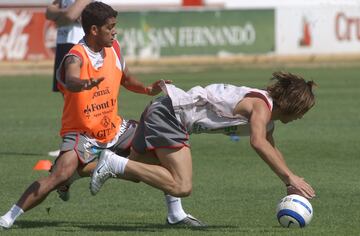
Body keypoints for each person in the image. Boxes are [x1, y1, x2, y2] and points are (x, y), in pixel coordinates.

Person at [0, 2, 199, 229]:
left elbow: (126, 78)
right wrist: (84, 83)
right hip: (82, 133)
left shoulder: (114, 49)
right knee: (59, 175)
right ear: (94, 30)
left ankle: (175, 214)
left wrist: (147, 89)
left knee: (161, 156)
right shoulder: (75, 56)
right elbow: (72, 79)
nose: (115, 31)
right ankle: (8, 218)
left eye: (115, 26)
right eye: (110, 27)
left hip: (116, 129)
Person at [89, 72, 317, 220]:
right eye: (302, 112)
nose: (301, 117)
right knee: (181, 185)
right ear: (292, 105)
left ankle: (74, 173)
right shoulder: (262, 107)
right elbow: (258, 143)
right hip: (170, 115)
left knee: (137, 170)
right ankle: (111, 161)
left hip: (161, 108)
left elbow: (270, 148)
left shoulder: (266, 119)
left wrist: (290, 179)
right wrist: (289, 177)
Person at [46, 0, 93, 158]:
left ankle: (88, 142)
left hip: (79, 43)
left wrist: (61, 15)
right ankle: (72, 142)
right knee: (66, 95)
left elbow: (70, 15)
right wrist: (64, 14)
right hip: (63, 41)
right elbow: (49, 12)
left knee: (81, 98)